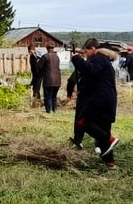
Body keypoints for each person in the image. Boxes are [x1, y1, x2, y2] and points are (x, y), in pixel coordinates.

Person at [70, 38, 119, 169]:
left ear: (92, 48)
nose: (85, 54)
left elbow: (89, 70)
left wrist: (76, 59)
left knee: (82, 122)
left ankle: (110, 139)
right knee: (102, 129)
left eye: (86, 51)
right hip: (106, 99)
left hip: (100, 99)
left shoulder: (99, 58)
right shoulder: (102, 60)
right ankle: (110, 162)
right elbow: (91, 77)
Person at [38, 43, 61, 113]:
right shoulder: (57, 57)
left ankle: (49, 111)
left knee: (48, 96)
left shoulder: (45, 56)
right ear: (53, 48)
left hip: (48, 80)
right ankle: (54, 110)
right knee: (54, 96)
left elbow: (39, 66)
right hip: (57, 80)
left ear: (46, 48)